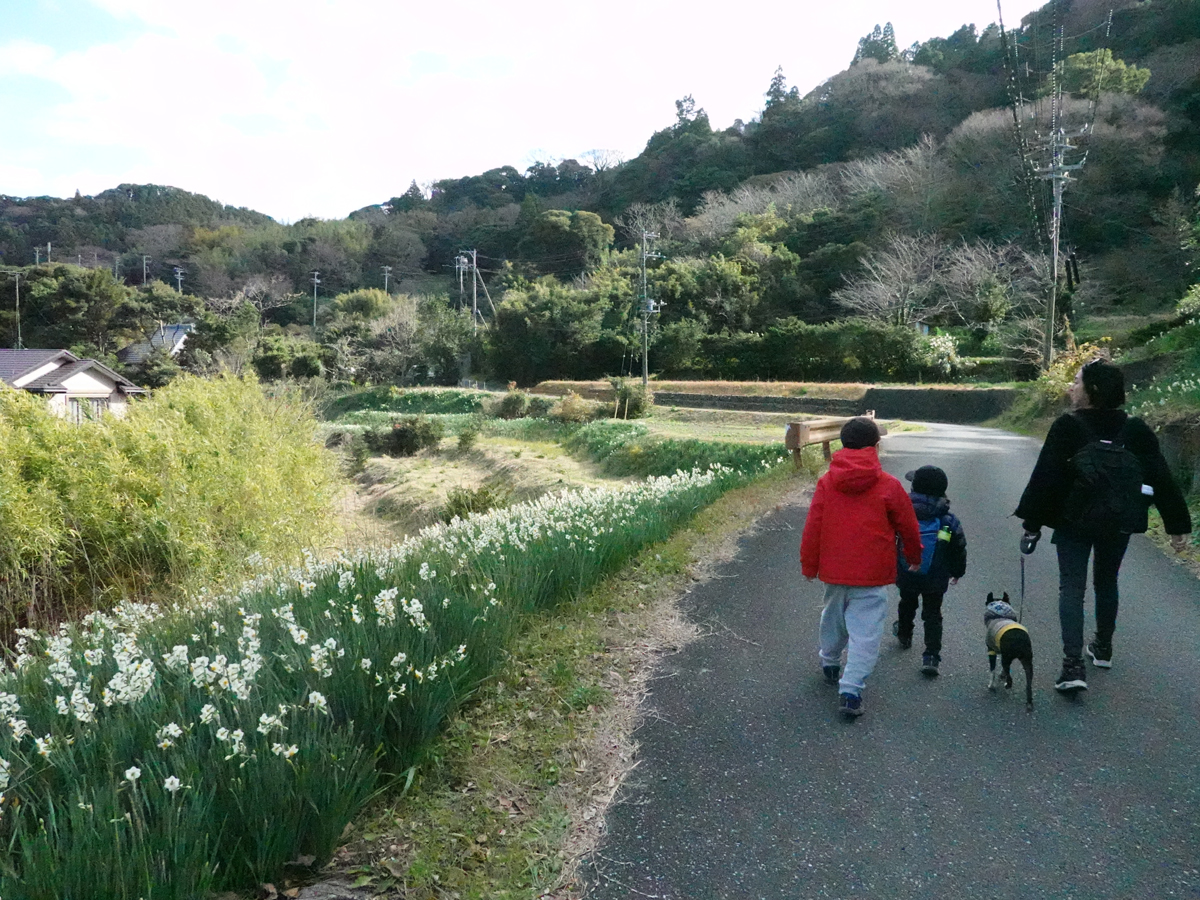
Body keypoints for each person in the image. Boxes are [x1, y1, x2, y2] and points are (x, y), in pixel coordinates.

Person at [1015, 358, 1192, 692]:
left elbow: (1045, 480)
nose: (1071, 386)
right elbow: (1160, 475)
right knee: (1107, 580)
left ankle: (1072, 666)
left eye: (1077, 380)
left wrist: (1032, 525)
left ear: (1092, 389)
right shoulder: (1135, 428)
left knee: (1072, 587)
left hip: (1073, 520)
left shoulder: (1067, 426)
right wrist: (1177, 524)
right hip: (1119, 520)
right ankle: (1103, 647)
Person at [801, 416, 923, 717]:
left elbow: (813, 525)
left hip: (834, 570)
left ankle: (829, 661)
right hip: (871, 575)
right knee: (865, 633)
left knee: (833, 617)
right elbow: (908, 527)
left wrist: (809, 565)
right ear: (876, 447)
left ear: (842, 445)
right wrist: (914, 556)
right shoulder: (889, 486)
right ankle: (851, 690)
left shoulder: (828, 482)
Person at [892, 465, 968, 676]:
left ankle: (904, 634)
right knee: (933, 613)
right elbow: (958, 547)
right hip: (936, 576)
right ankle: (931, 656)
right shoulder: (947, 521)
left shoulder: (902, 514)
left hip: (907, 570)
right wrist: (957, 571)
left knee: (907, 603)